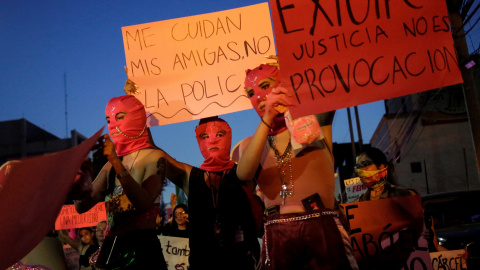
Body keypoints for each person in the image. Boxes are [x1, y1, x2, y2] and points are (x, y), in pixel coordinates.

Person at [236, 62, 358, 270]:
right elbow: (243, 173)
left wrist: (296, 71)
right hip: (277, 237)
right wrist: (267, 118)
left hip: (323, 231)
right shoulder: (249, 145)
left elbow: (335, 81)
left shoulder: (314, 122)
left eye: (266, 85)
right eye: (250, 92)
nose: (258, 96)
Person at [72, 94, 168, 270]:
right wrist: (81, 180)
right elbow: (81, 208)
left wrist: (116, 162)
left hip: (142, 253)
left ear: (136, 118)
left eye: (120, 117)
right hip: (112, 251)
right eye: (108, 120)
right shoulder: (109, 166)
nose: (113, 125)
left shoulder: (155, 157)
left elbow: (143, 203)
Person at [165, 116, 261, 270]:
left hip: (241, 260)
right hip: (203, 262)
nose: (212, 140)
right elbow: (158, 156)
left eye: (220, 134)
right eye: (204, 136)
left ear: (228, 136)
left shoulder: (244, 173)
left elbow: (259, 143)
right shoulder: (190, 176)